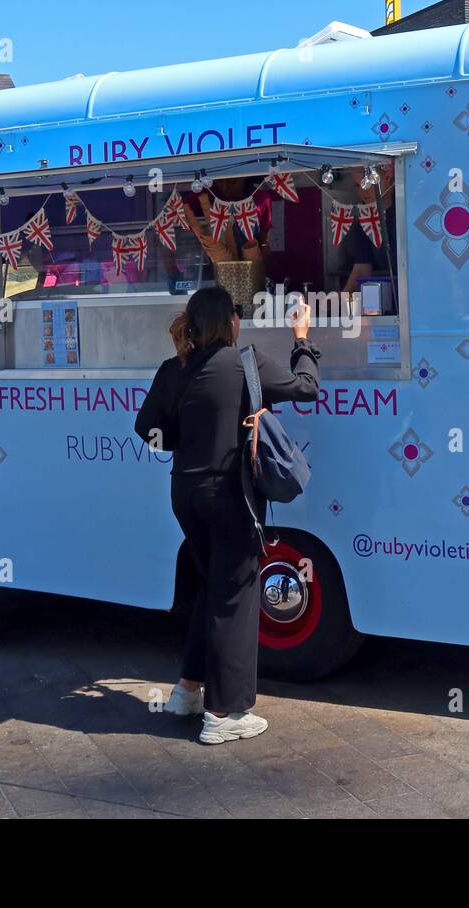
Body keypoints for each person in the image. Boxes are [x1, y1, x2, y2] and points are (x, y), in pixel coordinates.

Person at [135, 285, 319, 744]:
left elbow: (147, 428)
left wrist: (188, 439)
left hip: (185, 493)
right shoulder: (245, 363)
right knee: (235, 597)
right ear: (230, 323)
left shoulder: (173, 368)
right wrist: (302, 339)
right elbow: (307, 388)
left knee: (211, 588)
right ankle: (224, 714)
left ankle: (187, 691)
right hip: (229, 495)